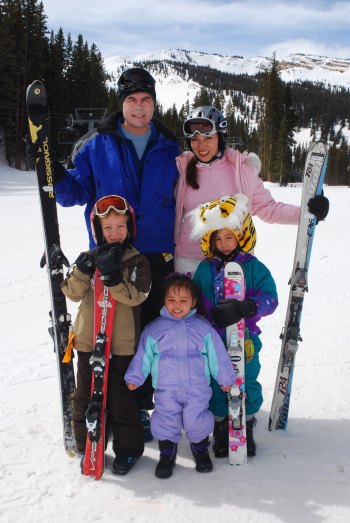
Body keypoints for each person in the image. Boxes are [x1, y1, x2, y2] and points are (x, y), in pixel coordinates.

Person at [27, 67, 180, 438]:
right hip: (110, 258)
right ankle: (108, 406)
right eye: (132, 100)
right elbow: (73, 193)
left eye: (146, 100)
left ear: (154, 103)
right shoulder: (98, 145)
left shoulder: (172, 148)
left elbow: (197, 191)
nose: (139, 107)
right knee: (109, 340)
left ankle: (141, 407)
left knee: (148, 338)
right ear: (122, 103)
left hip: (158, 258)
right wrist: (50, 166)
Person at [175, 105, 329, 275]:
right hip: (189, 263)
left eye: (208, 137)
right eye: (195, 139)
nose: (201, 145)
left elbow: (266, 208)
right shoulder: (182, 169)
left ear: (220, 137)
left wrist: (307, 214)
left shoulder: (241, 170)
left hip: (232, 262)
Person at [61, 194, 152, 475]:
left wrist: (114, 279)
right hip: (89, 341)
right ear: (98, 231)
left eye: (120, 227)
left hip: (122, 345)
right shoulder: (88, 258)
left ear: (130, 228)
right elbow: (71, 292)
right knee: (84, 397)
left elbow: (137, 297)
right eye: (108, 228)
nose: (114, 234)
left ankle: (128, 450)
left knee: (120, 398)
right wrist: (82, 270)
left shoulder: (137, 261)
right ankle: (86, 444)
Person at [190, 193, 278, 458]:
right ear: (210, 240)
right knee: (217, 383)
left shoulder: (253, 267)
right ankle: (220, 427)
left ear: (242, 235)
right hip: (213, 341)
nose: (224, 243)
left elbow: (270, 298)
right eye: (218, 237)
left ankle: (246, 423)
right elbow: (196, 301)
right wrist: (202, 321)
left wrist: (247, 307)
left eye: (230, 236)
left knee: (247, 379)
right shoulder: (205, 269)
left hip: (246, 338)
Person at [124, 274, 236, 479]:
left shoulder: (203, 329)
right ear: (164, 301)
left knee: (197, 419)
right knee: (166, 419)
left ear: (193, 302)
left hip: (197, 388)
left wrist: (225, 378)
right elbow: (143, 357)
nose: (177, 305)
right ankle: (167, 454)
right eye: (171, 300)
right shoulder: (154, 330)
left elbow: (217, 356)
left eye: (183, 301)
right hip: (167, 388)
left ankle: (200, 449)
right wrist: (135, 377)